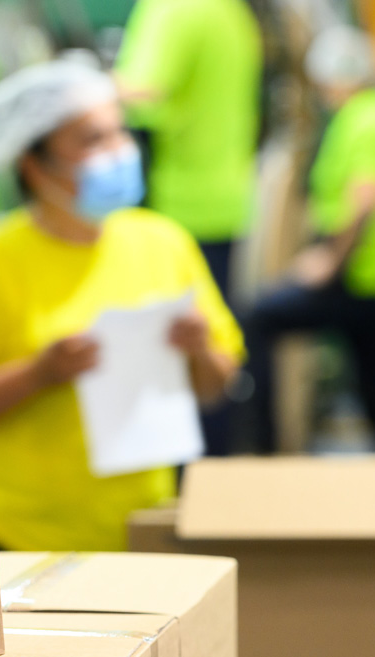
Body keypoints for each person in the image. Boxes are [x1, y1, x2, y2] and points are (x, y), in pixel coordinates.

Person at [0, 57, 245, 552]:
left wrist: (199, 348)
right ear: (34, 165)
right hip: (18, 541)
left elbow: (216, 386)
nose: (118, 151)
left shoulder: (162, 242)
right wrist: (39, 374)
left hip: (146, 527)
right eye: (93, 140)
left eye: (120, 133)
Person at [245, 26, 375, 453]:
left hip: (366, 281)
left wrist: (329, 259)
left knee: (260, 319)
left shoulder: (363, 122)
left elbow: (367, 196)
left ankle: (265, 451)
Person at [115, 0, 262, 454]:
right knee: (209, 353)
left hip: (174, 208)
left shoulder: (173, 10)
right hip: (224, 202)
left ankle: (187, 481)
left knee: (173, 366)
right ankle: (212, 478)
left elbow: (143, 98)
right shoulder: (232, 14)